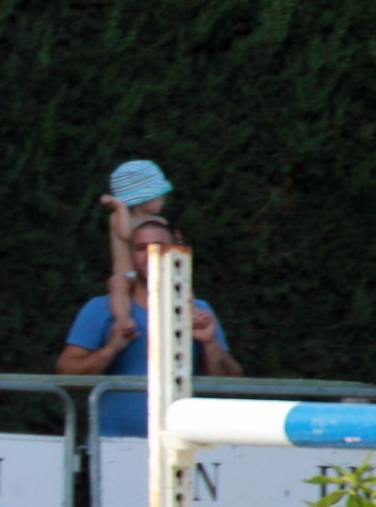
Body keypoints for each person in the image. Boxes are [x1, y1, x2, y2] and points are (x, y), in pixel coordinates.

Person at [56, 216, 243, 437]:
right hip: (112, 452)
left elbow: (231, 387)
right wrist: (111, 349)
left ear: (175, 252)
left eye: (159, 247)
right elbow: (66, 375)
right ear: (131, 257)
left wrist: (211, 344)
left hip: (182, 452)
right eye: (141, 248)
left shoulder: (199, 311)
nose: (150, 255)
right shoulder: (101, 309)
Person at [99, 159, 173, 341]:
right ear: (141, 198)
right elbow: (127, 234)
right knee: (118, 285)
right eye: (158, 196)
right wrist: (120, 206)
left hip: (151, 275)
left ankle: (191, 310)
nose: (162, 201)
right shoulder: (118, 217)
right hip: (126, 274)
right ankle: (123, 320)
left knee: (179, 279)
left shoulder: (160, 222)